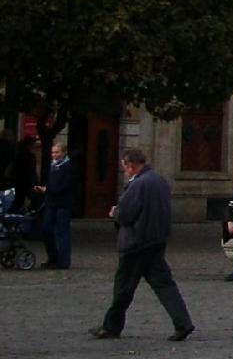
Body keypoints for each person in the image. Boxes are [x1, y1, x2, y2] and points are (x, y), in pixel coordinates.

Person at [93, 148, 194, 340]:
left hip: (135, 243)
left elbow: (126, 214)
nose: (124, 171)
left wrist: (115, 212)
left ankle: (111, 326)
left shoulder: (138, 184)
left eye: (124, 167)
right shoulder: (159, 180)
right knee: (165, 285)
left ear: (130, 166)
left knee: (123, 287)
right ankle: (183, 322)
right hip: (156, 241)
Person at [36, 138, 76, 270]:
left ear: (63, 153)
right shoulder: (53, 166)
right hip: (52, 202)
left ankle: (63, 261)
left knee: (62, 232)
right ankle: (52, 257)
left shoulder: (68, 167)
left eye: (57, 152)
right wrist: (44, 189)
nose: (54, 155)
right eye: (53, 152)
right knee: (46, 229)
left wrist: (48, 189)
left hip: (63, 204)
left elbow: (66, 186)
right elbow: (50, 182)